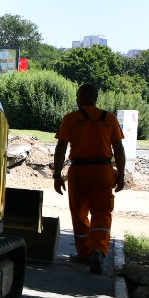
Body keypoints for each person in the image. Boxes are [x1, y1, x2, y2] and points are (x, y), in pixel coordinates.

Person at [53, 82, 127, 274]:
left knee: (79, 213)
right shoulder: (109, 118)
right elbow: (119, 150)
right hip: (103, 171)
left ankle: (84, 253)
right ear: (95, 98)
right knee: (102, 213)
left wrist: (57, 175)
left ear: (79, 98)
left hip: (79, 171)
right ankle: (98, 251)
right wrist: (121, 175)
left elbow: (61, 148)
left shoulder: (71, 118)